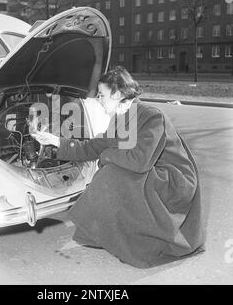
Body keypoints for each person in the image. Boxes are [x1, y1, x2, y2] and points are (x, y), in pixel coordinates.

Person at [32, 66, 205, 268]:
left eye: (102, 95)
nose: (98, 100)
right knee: (114, 171)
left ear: (117, 93)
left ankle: (139, 243)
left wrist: (107, 157)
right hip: (151, 170)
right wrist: (55, 141)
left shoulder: (151, 116)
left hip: (174, 180)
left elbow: (140, 161)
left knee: (114, 174)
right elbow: (93, 147)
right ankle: (103, 233)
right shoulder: (120, 117)